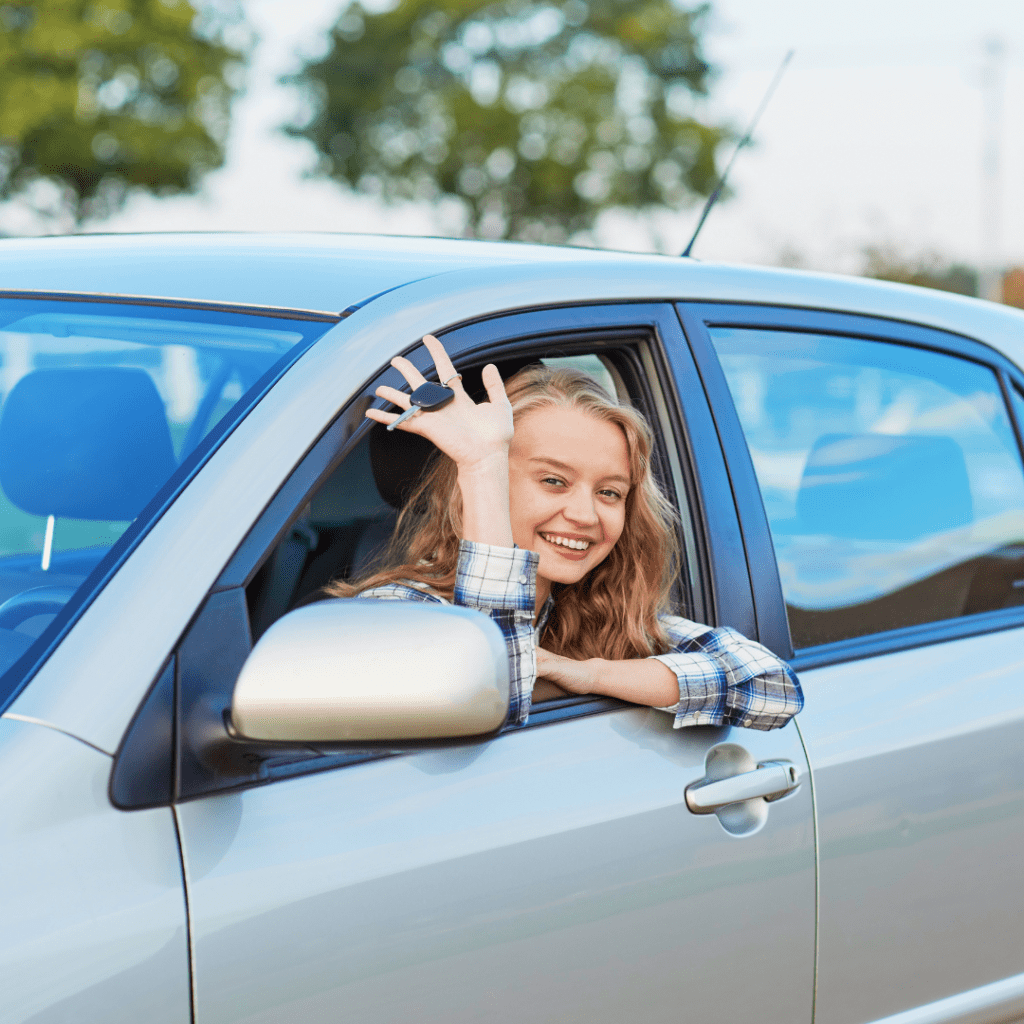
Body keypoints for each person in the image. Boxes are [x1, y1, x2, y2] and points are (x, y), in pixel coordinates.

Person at [326, 334, 802, 730]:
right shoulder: (398, 612)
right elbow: (497, 691)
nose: (585, 514)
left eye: (610, 492)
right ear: (486, 485)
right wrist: (481, 463)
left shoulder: (591, 611)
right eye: (553, 481)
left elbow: (771, 686)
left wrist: (587, 674)